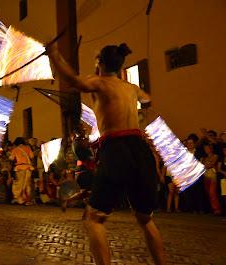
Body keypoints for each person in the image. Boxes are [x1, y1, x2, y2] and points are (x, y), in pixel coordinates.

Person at [48, 43, 165, 265]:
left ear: (100, 63)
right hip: (139, 148)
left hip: (116, 148)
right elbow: (148, 99)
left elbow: (74, 81)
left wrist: (55, 54)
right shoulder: (131, 88)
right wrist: (137, 113)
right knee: (145, 218)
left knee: (94, 219)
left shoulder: (99, 82)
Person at [9, 137, 34, 205]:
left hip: (19, 168)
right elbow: (32, 157)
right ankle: (27, 200)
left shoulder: (15, 149)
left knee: (18, 183)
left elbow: (11, 159)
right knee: (27, 184)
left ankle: (18, 199)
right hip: (28, 168)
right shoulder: (28, 148)